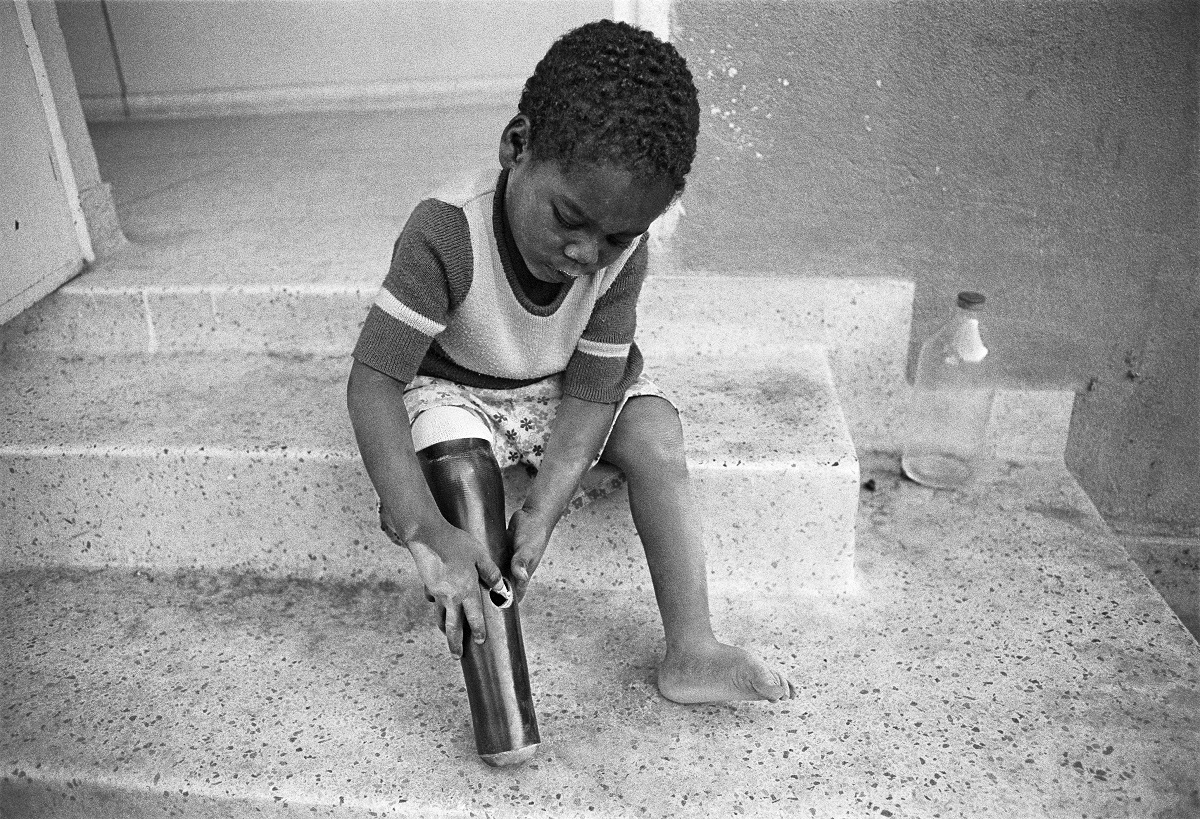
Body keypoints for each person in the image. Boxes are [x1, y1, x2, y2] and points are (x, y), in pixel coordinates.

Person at [347, 19, 795, 705]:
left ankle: (693, 648)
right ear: (517, 145)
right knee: (459, 474)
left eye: (617, 237)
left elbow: (593, 387)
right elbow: (373, 383)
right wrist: (424, 526)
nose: (587, 254)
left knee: (657, 433)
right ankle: (502, 707)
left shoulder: (622, 254)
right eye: (568, 219)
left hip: (559, 390)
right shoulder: (447, 231)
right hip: (457, 390)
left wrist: (545, 505)